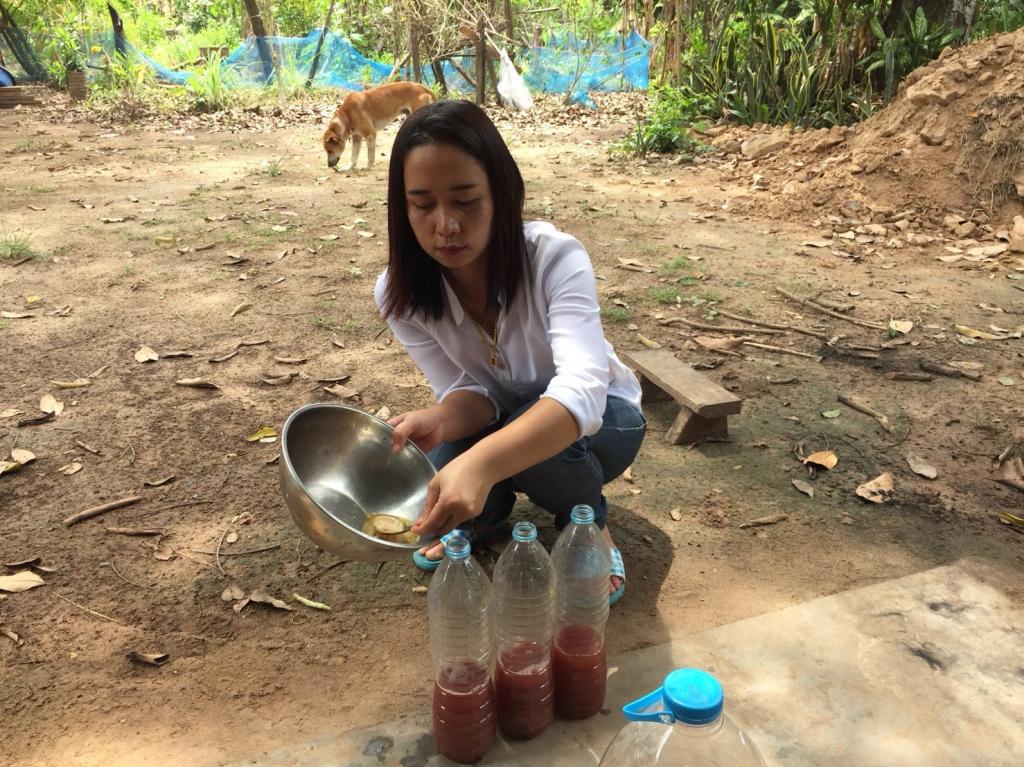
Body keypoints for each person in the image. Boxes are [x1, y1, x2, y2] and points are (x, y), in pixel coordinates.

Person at [375, 99, 645, 605]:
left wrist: (481, 463)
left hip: (607, 420)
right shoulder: (400, 293)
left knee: (528, 451)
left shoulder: (554, 257)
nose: (445, 224)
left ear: (501, 193)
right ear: (402, 208)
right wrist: (440, 419)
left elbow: (583, 391)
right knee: (440, 456)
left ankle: (587, 522)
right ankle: (486, 515)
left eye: (465, 200)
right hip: (506, 419)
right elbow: (469, 393)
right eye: (423, 205)